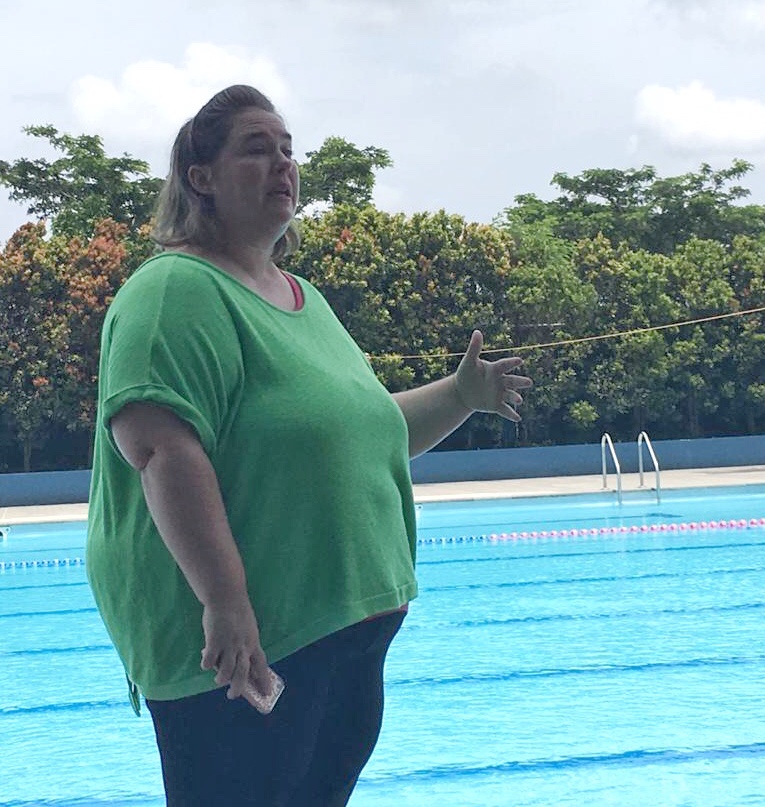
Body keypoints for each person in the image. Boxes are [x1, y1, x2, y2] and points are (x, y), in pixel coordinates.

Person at [86, 84, 532, 807]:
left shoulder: (303, 298)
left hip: (344, 631)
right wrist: (225, 600)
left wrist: (458, 396)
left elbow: (361, 434)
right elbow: (161, 449)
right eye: (256, 149)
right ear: (201, 178)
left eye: (288, 150)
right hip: (249, 646)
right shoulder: (174, 289)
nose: (283, 164)